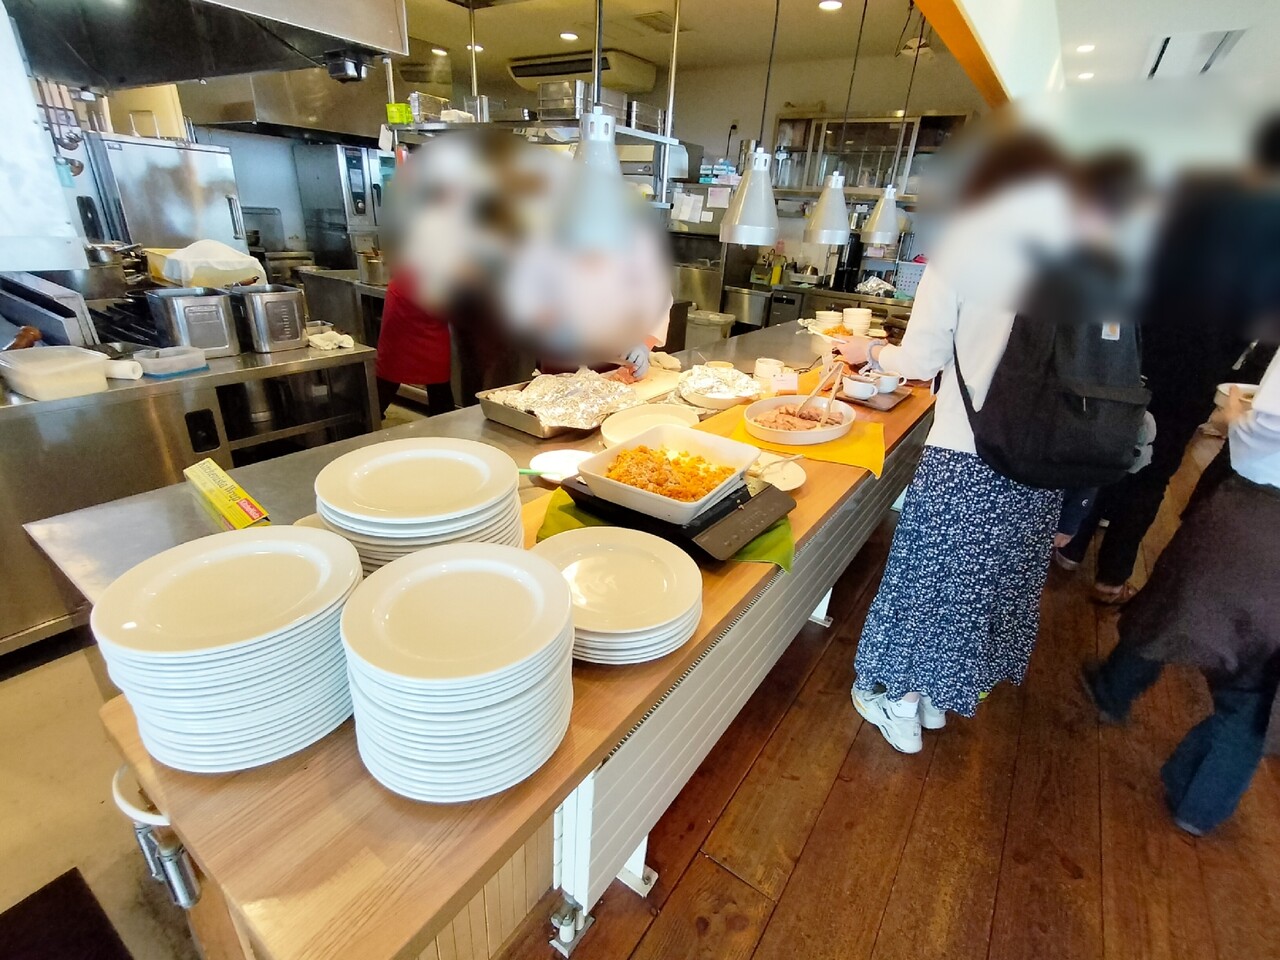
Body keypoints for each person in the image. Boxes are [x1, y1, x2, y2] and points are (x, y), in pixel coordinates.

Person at [835, 133, 1078, 753]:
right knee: (986, 587)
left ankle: (896, 702)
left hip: (967, 456)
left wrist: (870, 350)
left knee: (928, 581)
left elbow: (919, 360)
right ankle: (937, 699)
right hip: (1042, 463)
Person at [1056, 117, 1280, 601]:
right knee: (1153, 472)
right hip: (1195, 372)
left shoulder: (1181, 208)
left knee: (1106, 449)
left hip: (1131, 360)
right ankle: (1111, 578)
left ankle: (1070, 548)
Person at [1081, 353, 1280, 835]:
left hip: (1258, 512)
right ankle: (1199, 805)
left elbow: (1269, 430)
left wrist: (1235, 416)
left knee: (1170, 607)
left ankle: (1112, 689)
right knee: (1257, 689)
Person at [374, 271, 455, 418]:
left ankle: (445, 424)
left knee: (438, 379)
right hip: (409, 300)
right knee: (391, 369)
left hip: (429, 302)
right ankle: (362, 422)